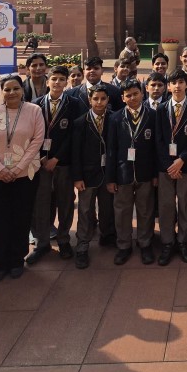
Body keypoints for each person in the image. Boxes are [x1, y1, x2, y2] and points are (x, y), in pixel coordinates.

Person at [0, 74, 44, 282]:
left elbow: (37, 141)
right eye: (7, 89)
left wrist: (17, 169)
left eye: (16, 88)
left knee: (20, 218)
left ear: (22, 90)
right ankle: (0, 261)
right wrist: (0, 169)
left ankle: (16, 259)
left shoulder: (34, 111)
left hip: (24, 176)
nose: (12, 92)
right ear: (1, 91)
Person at [27, 66, 76, 264]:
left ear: (66, 82)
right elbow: (31, 134)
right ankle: (42, 243)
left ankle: (64, 240)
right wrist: (41, 157)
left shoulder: (74, 104)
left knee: (65, 202)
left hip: (63, 163)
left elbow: (74, 135)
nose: (57, 82)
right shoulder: (35, 105)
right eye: (54, 79)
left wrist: (56, 158)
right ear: (47, 81)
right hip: (41, 163)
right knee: (41, 203)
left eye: (61, 79)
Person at [106, 79, 158, 265]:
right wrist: (111, 178)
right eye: (128, 95)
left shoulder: (153, 115)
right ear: (122, 98)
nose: (133, 98)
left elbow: (156, 148)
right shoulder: (115, 118)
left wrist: (155, 174)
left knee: (145, 210)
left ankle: (145, 243)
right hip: (123, 173)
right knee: (122, 211)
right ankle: (124, 245)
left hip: (146, 172)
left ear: (143, 94)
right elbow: (111, 150)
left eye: (136, 94)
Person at [155, 69, 187, 265]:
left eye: (181, 82)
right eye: (173, 82)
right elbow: (158, 140)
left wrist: (181, 160)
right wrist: (169, 165)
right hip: (166, 167)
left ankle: (183, 241)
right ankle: (167, 242)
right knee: (166, 206)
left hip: (186, 165)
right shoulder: (161, 109)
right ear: (169, 86)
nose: (177, 86)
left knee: (185, 204)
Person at [71, 83, 111, 269]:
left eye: (103, 99)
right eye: (95, 99)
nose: (99, 102)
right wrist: (77, 177)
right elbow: (75, 153)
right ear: (89, 100)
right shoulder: (80, 122)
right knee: (85, 210)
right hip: (87, 175)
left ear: (108, 100)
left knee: (107, 207)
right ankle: (82, 244)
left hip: (107, 173)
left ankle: (107, 234)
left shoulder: (114, 118)